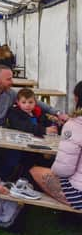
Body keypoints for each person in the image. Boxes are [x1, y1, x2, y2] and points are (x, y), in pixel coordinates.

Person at [29, 81, 82, 210]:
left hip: (79, 194)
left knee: (33, 170)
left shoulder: (75, 125)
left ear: (77, 98)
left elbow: (64, 170)